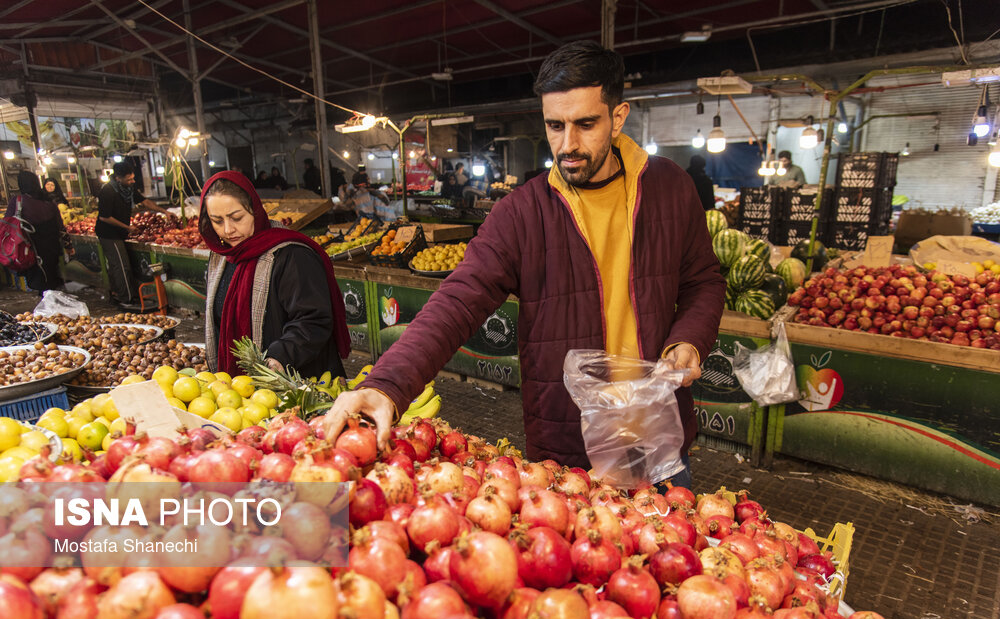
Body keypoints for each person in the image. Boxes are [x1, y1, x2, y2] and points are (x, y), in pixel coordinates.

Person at [322, 41, 726, 489]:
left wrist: (689, 338)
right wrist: (386, 386)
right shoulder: (522, 213)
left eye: (585, 124)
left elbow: (703, 281)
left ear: (618, 116)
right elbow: (458, 300)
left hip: (660, 439)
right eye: (555, 125)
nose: (567, 145)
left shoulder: (670, 186)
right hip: (570, 454)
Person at [199, 171, 351, 378]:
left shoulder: (291, 255)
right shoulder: (222, 258)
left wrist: (279, 356)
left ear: (255, 209)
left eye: (237, 218)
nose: (228, 230)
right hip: (241, 389)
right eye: (217, 221)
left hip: (299, 383)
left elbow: (314, 320)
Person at [96, 162, 175, 307]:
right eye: (129, 179)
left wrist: (164, 211)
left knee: (116, 265)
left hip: (121, 232)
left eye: (133, 178)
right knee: (121, 265)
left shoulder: (128, 189)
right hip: (108, 233)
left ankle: (116, 294)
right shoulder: (108, 191)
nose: (132, 181)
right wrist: (127, 227)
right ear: (118, 178)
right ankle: (126, 299)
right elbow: (104, 217)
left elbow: (145, 201)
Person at [6, 170, 71, 293]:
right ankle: (52, 304)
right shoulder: (48, 201)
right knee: (51, 279)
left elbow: (7, 223)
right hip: (51, 248)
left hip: (31, 249)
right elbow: (60, 226)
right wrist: (68, 245)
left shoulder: (18, 201)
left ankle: (48, 306)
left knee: (40, 281)